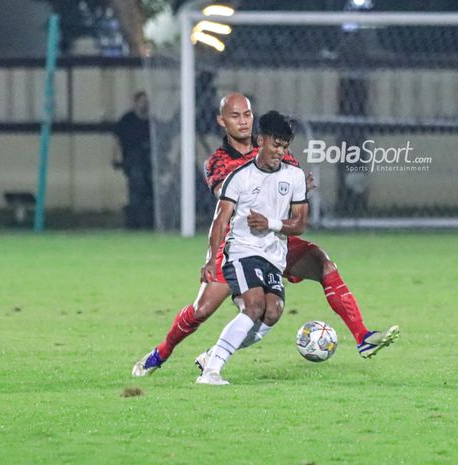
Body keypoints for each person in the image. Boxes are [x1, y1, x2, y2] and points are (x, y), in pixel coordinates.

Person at [132, 93, 399, 377]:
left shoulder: (277, 146)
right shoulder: (219, 163)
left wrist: (298, 191)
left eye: (247, 115)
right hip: (240, 244)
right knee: (202, 310)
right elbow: (232, 203)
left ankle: (362, 337)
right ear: (222, 121)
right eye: (235, 116)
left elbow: (291, 195)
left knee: (321, 264)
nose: (243, 121)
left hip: (275, 237)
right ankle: (160, 354)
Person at [195, 111, 308, 385]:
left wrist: (269, 222)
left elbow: (300, 224)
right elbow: (221, 220)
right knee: (254, 305)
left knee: (273, 311)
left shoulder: (295, 177)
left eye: (285, 147)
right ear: (260, 140)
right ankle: (212, 372)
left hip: (273, 256)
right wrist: (211, 260)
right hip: (242, 251)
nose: (280, 152)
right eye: (275, 145)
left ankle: (212, 354)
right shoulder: (239, 177)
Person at [113, 90, 153, 229]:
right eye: (142, 101)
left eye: (146, 102)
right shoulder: (127, 121)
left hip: (149, 161)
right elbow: (117, 140)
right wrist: (116, 157)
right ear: (135, 103)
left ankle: (148, 221)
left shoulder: (152, 122)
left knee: (150, 189)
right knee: (137, 187)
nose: (144, 104)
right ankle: (135, 221)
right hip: (133, 160)